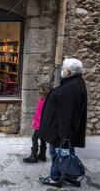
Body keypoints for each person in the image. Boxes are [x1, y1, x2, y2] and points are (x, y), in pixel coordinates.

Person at [38, 58, 87, 188]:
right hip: (62, 130)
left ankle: (55, 178)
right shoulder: (74, 83)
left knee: (57, 154)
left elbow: (68, 114)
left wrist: (64, 136)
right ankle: (69, 176)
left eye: (63, 68)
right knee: (66, 154)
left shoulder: (71, 88)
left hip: (60, 132)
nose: (62, 70)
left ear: (68, 71)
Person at [23, 83, 53, 163]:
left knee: (34, 138)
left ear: (44, 92)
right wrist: (34, 119)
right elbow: (38, 112)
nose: (38, 93)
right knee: (42, 139)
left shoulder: (47, 102)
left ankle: (34, 156)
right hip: (39, 122)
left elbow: (43, 114)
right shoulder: (42, 100)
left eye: (40, 91)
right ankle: (42, 155)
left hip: (41, 124)